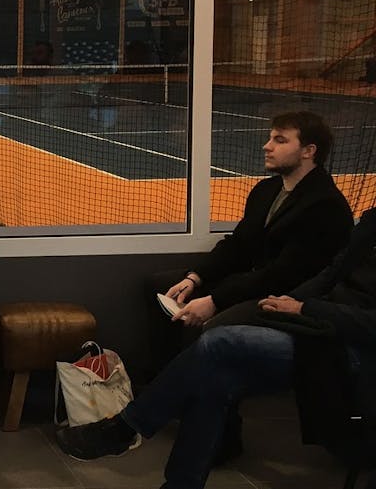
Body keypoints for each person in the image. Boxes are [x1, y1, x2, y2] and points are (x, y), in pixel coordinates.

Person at [56, 206, 376, 489]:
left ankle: (126, 427)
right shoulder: (371, 221)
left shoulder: (325, 206)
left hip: (351, 350)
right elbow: (331, 273)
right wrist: (291, 301)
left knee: (219, 342)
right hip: (317, 331)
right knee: (215, 379)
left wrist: (306, 309)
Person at [148, 111, 353, 365]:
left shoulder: (325, 206)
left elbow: (283, 274)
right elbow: (238, 245)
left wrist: (215, 300)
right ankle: (159, 377)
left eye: (280, 140)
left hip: (283, 297)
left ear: (308, 151)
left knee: (212, 327)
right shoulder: (266, 190)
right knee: (161, 285)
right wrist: (195, 277)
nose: (267, 146)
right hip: (252, 281)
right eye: (270, 138)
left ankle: (191, 386)